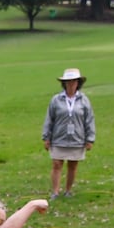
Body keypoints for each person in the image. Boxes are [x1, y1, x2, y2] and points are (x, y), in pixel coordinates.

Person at [41, 68, 96, 199]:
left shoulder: (84, 100)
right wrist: (46, 137)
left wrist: (90, 139)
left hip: (77, 137)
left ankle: (68, 190)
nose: (71, 84)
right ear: (64, 83)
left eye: (73, 81)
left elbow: (89, 119)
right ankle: (55, 192)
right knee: (56, 164)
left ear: (78, 83)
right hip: (58, 137)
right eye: (68, 81)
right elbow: (49, 118)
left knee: (73, 165)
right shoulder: (56, 100)